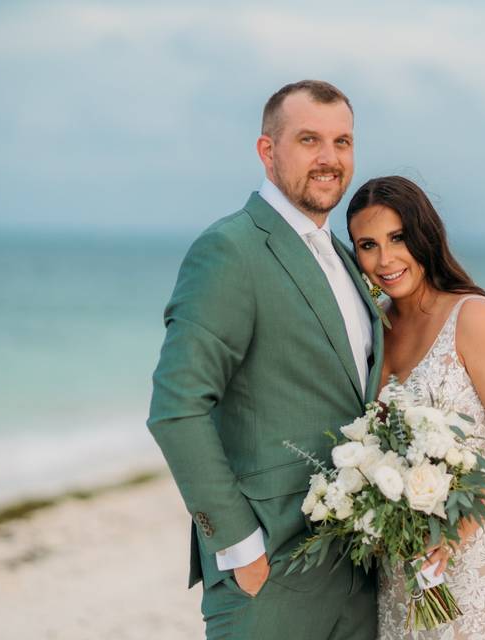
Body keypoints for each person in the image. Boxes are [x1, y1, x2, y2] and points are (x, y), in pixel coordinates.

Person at [147, 80, 384, 640]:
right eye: (309, 140)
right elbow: (176, 409)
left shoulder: (348, 260)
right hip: (272, 573)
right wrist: (239, 547)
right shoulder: (231, 249)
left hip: (358, 570)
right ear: (267, 150)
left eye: (343, 142)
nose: (329, 159)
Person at [346, 176, 485, 639]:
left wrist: (457, 534)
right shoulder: (376, 332)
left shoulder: (474, 318)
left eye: (397, 238)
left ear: (424, 236)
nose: (385, 259)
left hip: (472, 563)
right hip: (400, 574)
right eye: (368, 245)